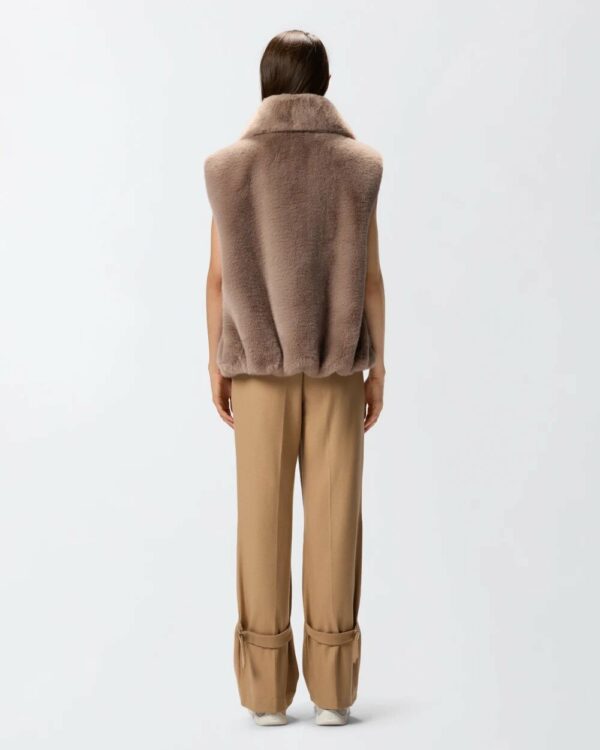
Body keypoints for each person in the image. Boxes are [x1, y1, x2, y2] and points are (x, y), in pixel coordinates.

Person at [204, 29, 386, 727]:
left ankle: (265, 695)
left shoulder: (229, 167)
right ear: (324, 82)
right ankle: (334, 694)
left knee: (261, 523)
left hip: (258, 373)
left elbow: (218, 279)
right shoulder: (359, 166)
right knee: (336, 521)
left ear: (266, 81)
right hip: (337, 370)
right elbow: (370, 278)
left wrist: (217, 363)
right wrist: (378, 366)